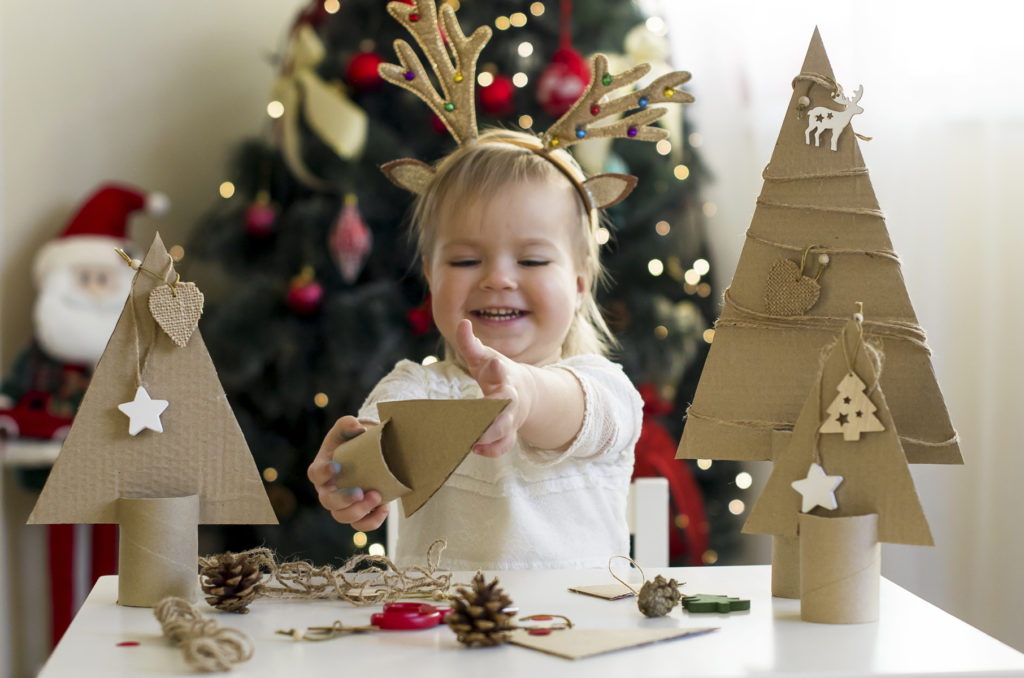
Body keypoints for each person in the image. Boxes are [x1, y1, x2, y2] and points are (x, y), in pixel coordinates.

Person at [307, 130, 643, 570]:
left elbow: (578, 411)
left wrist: (524, 392)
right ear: (432, 278)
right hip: (441, 630)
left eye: (532, 261)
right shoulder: (415, 386)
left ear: (579, 286)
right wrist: (348, 473)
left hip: (578, 627)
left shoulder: (602, 386)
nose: (498, 279)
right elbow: (373, 447)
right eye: (465, 261)